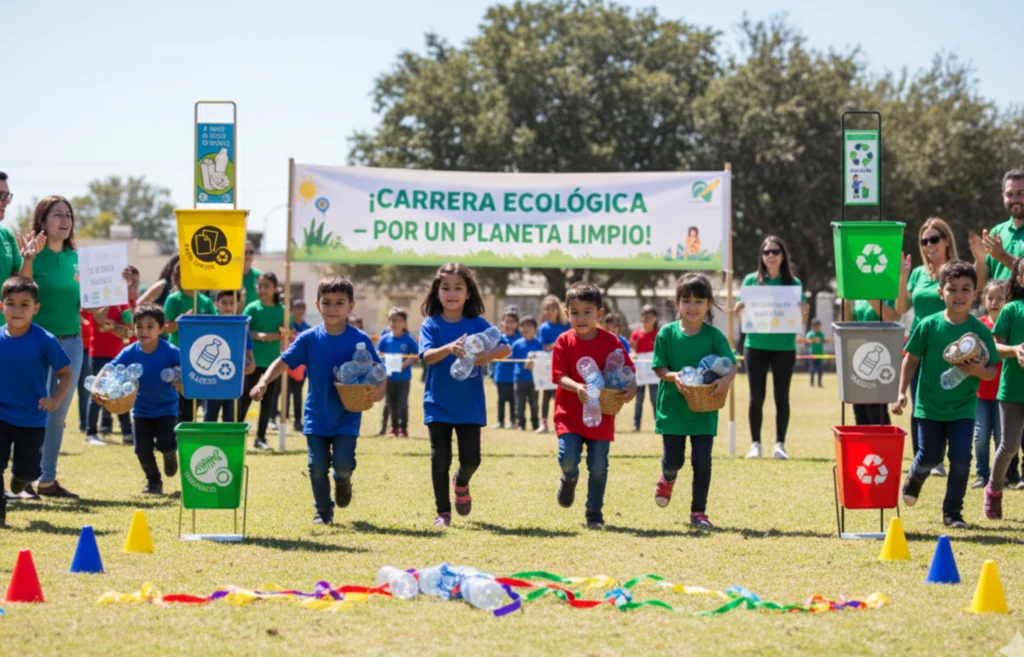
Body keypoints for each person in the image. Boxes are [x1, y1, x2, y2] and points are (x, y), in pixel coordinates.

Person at [250, 276, 384, 525]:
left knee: (343, 464)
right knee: (316, 465)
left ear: (351, 306)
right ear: (317, 304)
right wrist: (263, 382)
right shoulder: (308, 338)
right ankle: (323, 511)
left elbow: (378, 368)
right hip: (316, 415)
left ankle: (343, 480)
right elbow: (282, 361)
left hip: (347, 415)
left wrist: (380, 389)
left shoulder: (360, 339)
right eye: (327, 303)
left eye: (339, 303)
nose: (332, 309)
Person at [892, 260, 998, 529]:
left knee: (962, 458)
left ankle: (953, 513)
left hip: (963, 408)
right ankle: (915, 476)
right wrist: (901, 392)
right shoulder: (928, 325)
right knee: (930, 457)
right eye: (952, 289)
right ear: (941, 293)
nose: (959, 295)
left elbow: (992, 370)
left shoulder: (981, 331)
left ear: (975, 293)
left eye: (966, 289)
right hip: (929, 407)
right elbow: (910, 359)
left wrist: (977, 370)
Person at [418, 263, 509, 529]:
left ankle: (461, 481)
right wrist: (447, 348)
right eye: (445, 287)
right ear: (437, 292)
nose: (452, 293)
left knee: (472, 458)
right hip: (437, 405)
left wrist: (487, 355)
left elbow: (505, 347)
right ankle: (443, 513)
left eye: (458, 287)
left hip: (470, 405)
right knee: (439, 459)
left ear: (468, 293)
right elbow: (426, 357)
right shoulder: (430, 325)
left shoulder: (477, 324)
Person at [897, 217, 985, 476]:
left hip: (954, 351)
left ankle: (944, 455)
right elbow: (901, 309)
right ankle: (925, 461)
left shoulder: (957, 272)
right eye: (924, 241)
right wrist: (903, 277)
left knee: (950, 403)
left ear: (947, 240)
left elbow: (975, 287)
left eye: (934, 239)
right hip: (920, 347)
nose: (928, 245)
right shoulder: (917, 274)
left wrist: (980, 259)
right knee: (920, 407)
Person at [652, 273, 736, 529]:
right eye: (686, 300)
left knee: (702, 461)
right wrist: (673, 375)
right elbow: (659, 368)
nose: (692, 306)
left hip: (704, 410)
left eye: (699, 301)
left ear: (708, 304)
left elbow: (731, 365)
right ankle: (667, 477)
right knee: (674, 460)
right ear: (677, 303)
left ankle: (698, 512)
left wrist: (725, 381)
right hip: (673, 410)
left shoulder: (714, 336)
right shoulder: (666, 333)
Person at [553, 282, 636, 529]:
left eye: (587, 312)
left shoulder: (612, 341)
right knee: (568, 457)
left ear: (599, 314)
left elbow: (628, 370)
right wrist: (577, 387)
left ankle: (594, 512)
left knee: (599, 466)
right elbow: (558, 376)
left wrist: (631, 388)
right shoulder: (563, 341)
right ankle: (569, 478)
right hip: (569, 413)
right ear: (567, 313)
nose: (581, 318)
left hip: (601, 413)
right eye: (575, 312)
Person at [24, 196, 84, 498]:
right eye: (57, 214)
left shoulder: (78, 258)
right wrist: (28, 260)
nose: (65, 220)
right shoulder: (33, 256)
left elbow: (92, 310)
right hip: (37, 344)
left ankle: (47, 481)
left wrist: (113, 291)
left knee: (57, 414)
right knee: (31, 412)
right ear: (42, 220)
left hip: (73, 343)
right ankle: (22, 478)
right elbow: (21, 293)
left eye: (68, 215)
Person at [0, 277, 72, 527]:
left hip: (32, 417)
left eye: (24, 305)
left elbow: (65, 374)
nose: (17, 310)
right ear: (1, 306)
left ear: (36, 308)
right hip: (1, 414)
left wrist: (55, 399)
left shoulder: (45, 340)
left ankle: (20, 481)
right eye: (11, 304)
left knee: (28, 471)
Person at [734, 235, 809, 460]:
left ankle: (780, 445)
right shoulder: (750, 281)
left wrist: (804, 312)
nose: (771, 256)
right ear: (761, 256)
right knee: (756, 398)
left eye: (775, 251)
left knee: (781, 397)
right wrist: (739, 311)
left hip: (784, 347)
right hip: (755, 346)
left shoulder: (793, 285)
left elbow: (801, 320)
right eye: (766, 252)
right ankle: (755, 444)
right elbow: (743, 320)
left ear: (783, 255)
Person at [105, 304, 181, 494]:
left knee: (165, 442)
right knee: (142, 450)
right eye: (139, 326)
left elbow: (185, 369)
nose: (144, 330)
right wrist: (102, 385)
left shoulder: (170, 350)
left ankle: (170, 453)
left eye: (150, 326)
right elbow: (111, 367)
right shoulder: (130, 351)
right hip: (141, 409)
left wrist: (175, 373)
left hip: (167, 408)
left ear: (161, 328)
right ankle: (154, 482)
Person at [985, 256, 1024, 519]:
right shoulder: (1011, 310)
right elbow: (994, 348)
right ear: (1019, 279)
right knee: (1009, 446)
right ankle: (994, 490)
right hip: (1012, 391)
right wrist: (1015, 349)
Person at [973, 280, 1017, 489]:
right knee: (980, 436)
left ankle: (1005, 476)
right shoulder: (980, 326)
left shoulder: (1013, 321)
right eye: (990, 298)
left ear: (1008, 300)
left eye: (1000, 298)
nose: (994, 302)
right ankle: (982, 475)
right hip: (981, 394)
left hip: (1005, 394)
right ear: (983, 300)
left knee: (1003, 439)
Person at [163, 262, 216, 423]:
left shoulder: (206, 301)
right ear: (178, 278)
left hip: (200, 357)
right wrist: (181, 321)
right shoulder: (173, 300)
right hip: (178, 355)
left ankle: (190, 428)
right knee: (179, 399)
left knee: (195, 399)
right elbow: (167, 328)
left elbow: (215, 325)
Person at [239, 272, 286, 450]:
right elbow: (242, 330)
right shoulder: (252, 308)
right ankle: (237, 433)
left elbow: (286, 331)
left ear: (275, 289)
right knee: (244, 400)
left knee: (268, 403)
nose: (262, 289)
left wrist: (279, 335)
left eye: (267, 286)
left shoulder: (283, 310)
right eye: (260, 286)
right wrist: (260, 336)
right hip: (252, 363)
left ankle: (260, 438)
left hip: (272, 365)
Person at [843, 299, 905, 426]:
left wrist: (869, 294)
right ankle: (865, 445)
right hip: (859, 354)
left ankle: (884, 444)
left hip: (883, 357)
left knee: (876, 409)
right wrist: (846, 297)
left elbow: (893, 318)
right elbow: (848, 323)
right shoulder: (858, 298)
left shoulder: (888, 294)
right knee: (860, 410)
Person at [84, 295, 132, 446]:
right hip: (99, 353)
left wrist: (116, 328)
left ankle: (127, 433)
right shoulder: (96, 300)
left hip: (118, 354)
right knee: (97, 393)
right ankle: (91, 433)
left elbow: (129, 331)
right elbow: (100, 322)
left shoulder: (122, 302)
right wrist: (115, 328)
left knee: (121, 392)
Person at [205, 291, 256, 423]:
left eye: (232, 303)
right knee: (210, 415)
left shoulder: (242, 326)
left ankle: (226, 443)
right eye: (224, 302)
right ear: (216, 304)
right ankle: (208, 443)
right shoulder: (210, 324)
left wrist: (250, 365)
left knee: (230, 417)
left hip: (234, 381)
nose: (228, 306)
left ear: (238, 305)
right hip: (212, 382)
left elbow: (251, 358)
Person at [376, 307, 417, 437]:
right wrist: (383, 363)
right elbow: (378, 354)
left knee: (403, 404)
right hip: (388, 378)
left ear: (404, 323)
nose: (396, 324)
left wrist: (403, 365)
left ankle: (403, 428)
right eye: (393, 320)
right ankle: (392, 428)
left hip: (403, 378)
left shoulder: (409, 339)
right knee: (390, 403)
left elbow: (415, 354)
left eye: (399, 321)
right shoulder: (385, 339)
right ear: (389, 322)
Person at [982, 170, 1024, 282]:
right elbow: (981, 284)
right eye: (1009, 194)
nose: (1014, 200)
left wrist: (1002, 256)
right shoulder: (997, 232)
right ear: (1003, 196)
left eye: (1020, 193)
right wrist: (978, 257)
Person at [537, 294, 569, 434]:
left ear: (558, 310)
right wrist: (556, 344)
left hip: (564, 365)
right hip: (548, 367)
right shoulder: (543, 327)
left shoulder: (566, 324)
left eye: (551, 309)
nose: (548, 313)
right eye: (545, 309)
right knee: (545, 395)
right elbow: (544, 346)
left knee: (561, 396)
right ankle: (544, 424)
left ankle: (562, 423)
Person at [280, 298, 312, 432]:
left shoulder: (307, 329)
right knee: (284, 393)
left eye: (301, 309)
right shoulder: (288, 327)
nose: (299, 311)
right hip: (287, 367)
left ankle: (298, 421)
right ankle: (283, 416)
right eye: (296, 308)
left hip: (301, 369)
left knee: (298, 395)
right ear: (291, 311)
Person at [629, 304, 660, 431]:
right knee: (639, 399)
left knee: (655, 399)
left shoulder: (659, 334)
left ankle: (659, 423)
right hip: (640, 370)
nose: (646, 318)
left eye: (649, 315)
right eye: (644, 315)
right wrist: (633, 354)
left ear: (655, 318)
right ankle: (636, 424)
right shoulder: (636, 333)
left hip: (653, 371)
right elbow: (632, 348)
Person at [512, 315, 542, 431]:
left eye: (529, 326)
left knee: (534, 404)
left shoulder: (539, 344)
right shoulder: (516, 344)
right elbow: (512, 359)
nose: (526, 329)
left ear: (535, 329)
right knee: (520, 404)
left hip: (534, 379)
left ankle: (536, 424)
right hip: (519, 379)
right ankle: (521, 424)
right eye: (523, 327)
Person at [491, 309, 519, 430]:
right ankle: (500, 421)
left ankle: (513, 421)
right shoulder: (498, 339)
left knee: (513, 400)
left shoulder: (520, 339)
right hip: (501, 376)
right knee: (501, 400)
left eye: (512, 322)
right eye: (507, 321)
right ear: (502, 323)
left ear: (517, 324)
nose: (509, 324)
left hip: (515, 376)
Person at [805, 319, 827, 388]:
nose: (816, 328)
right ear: (812, 326)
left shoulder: (821, 334)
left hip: (820, 354)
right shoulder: (810, 334)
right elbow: (807, 341)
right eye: (815, 326)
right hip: (812, 354)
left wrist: (820, 340)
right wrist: (813, 340)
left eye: (817, 326)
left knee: (820, 370)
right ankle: (811, 384)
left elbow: (823, 341)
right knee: (812, 369)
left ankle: (819, 384)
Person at [240, 240, 261, 310]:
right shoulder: (231, 276)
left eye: (251, 252)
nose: (248, 255)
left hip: (254, 318)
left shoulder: (260, 276)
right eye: (245, 252)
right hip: (236, 318)